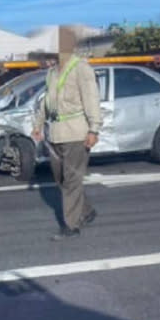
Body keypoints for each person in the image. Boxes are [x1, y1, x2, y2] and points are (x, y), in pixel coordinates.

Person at [32, 26, 102, 241]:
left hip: (76, 132)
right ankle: (86, 211)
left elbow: (91, 99)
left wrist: (94, 129)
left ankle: (71, 226)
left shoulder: (81, 68)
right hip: (55, 133)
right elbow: (46, 101)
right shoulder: (53, 72)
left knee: (72, 180)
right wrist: (38, 124)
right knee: (61, 179)